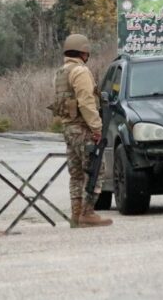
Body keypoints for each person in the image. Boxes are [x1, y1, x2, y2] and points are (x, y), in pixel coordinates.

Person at [52, 34, 112, 228]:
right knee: (96, 169)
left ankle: (76, 215)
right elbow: (86, 101)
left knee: (76, 173)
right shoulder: (80, 71)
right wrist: (96, 127)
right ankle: (88, 213)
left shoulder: (61, 72)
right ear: (84, 52)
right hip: (83, 128)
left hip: (68, 128)